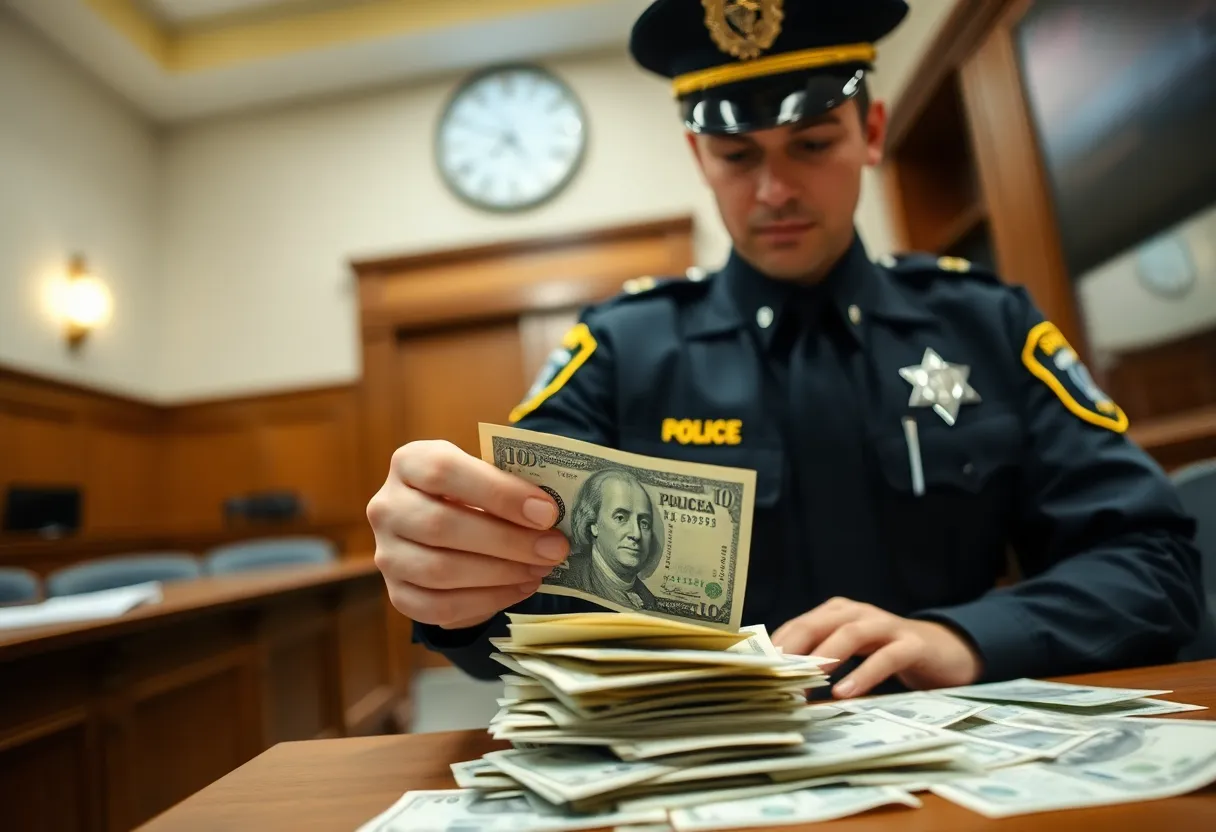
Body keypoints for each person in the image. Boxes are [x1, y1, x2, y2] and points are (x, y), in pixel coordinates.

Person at [367, 0, 1205, 699]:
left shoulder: (988, 325)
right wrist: (455, 585)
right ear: (699, 155)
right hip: (702, 776)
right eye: (737, 156)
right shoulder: (620, 351)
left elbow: (1153, 566)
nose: (774, 191)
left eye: (812, 144)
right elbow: (520, 606)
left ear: (871, 132)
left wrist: (963, 639)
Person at [556, 469, 663, 612]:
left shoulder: (649, 600)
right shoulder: (567, 577)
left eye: (644, 523)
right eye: (620, 518)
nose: (636, 534)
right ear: (593, 524)